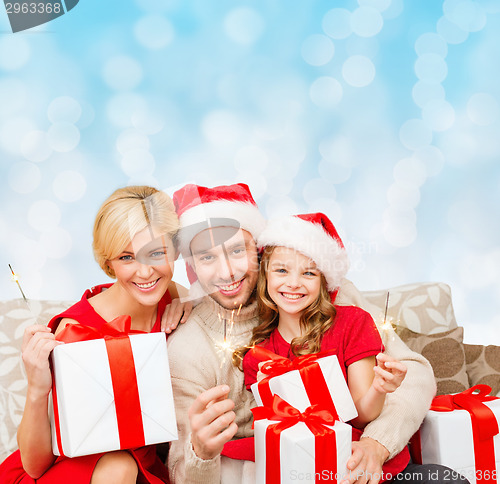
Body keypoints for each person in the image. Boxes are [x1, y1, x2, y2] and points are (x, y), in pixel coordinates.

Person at [166, 182, 462, 484]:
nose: (226, 271)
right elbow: (179, 469)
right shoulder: (187, 349)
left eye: (237, 250)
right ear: (191, 265)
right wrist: (200, 452)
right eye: (206, 257)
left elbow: (414, 373)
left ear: (258, 251)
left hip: (361, 460)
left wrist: (378, 443)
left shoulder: (328, 296)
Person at [0, 185, 189, 484]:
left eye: (156, 253)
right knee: (119, 465)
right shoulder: (75, 331)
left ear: (175, 250)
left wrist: (191, 307)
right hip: (68, 473)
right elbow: (35, 466)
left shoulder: (174, 296)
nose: (145, 272)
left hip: (141, 469)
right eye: (127, 258)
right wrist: (38, 389)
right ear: (109, 262)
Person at [239, 212, 409, 479]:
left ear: (323, 281)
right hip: (304, 469)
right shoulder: (258, 357)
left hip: (358, 460)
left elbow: (362, 415)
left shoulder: (353, 323)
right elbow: (281, 438)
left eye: (308, 272)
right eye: (281, 270)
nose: (293, 283)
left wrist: (379, 388)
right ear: (265, 277)